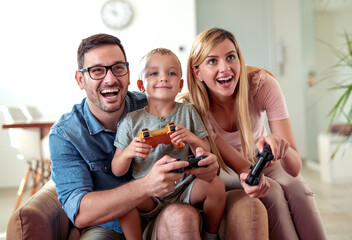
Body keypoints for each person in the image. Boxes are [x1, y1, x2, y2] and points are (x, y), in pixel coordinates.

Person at [49, 33, 269, 240]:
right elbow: (79, 212)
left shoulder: (165, 103)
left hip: (181, 194)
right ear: (80, 79)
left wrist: (207, 164)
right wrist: (144, 183)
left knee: (203, 198)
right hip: (111, 222)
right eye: (97, 70)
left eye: (117, 68)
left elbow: (207, 145)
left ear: (128, 74)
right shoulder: (66, 134)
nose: (109, 79)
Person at [186, 27, 327, 240]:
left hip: (261, 157)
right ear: (197, 72)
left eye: (231, 57)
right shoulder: (194, 108)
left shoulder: (261, 84)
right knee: (272, 193)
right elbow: (241, 167)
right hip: (227, 169)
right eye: (212, 61)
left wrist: (280, 145)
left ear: (239, 60)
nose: (225, 68)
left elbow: (294, 167)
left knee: (298, 189)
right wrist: (252, 177)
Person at [111, 48, 226, 240]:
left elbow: (205, 150)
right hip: (149, 193)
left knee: (217, 185)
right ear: (141, 85)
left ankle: (211, 234)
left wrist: (190, 138)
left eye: (171, 73)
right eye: (154, 73)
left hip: (184, 186)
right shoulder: (131, 121)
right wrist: (129, 152)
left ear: (180, 84)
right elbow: (117, 169)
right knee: (124, 201)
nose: (163, 78)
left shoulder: (188, 111)